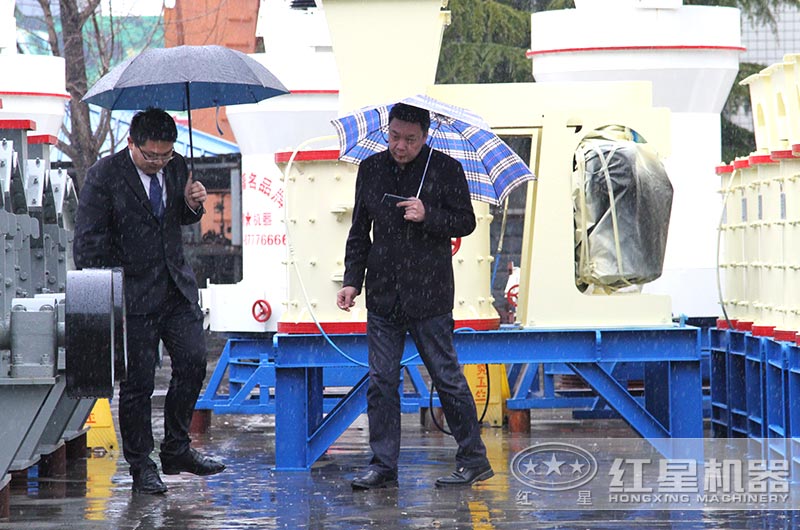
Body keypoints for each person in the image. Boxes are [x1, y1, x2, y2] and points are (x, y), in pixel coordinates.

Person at [336, 103, 493, 489]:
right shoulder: (371, 169)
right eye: (394, 137)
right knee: (381, 380)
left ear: (425, 136)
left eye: (409, 139)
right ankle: (383, 465)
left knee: (446, 377)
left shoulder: (446, 168)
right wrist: (352, 280)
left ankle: (473, 458)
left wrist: (429, 215)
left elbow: (466, 222)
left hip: (430, 294)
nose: (400, 146)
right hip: (383, 294)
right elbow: (359, 231)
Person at [74, 108, 225, 495]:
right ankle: (141, 465)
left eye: (165, 154)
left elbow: (177, 218)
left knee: (193, 362)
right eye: (151, 155)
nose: (159, 162)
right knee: (138, 384)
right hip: (132, 294)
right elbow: (87, 242)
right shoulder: (104, 176)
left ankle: (176, 448)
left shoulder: (177, 167)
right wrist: (111, 288)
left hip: (175, 288)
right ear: (132, 143)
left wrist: (193, 204)